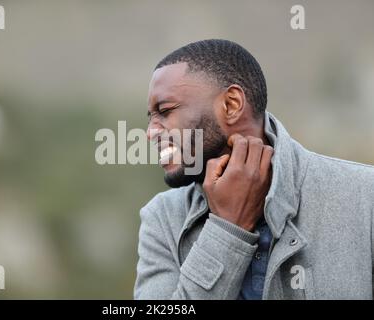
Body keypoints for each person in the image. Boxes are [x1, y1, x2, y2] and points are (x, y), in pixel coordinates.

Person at [134, 39, 374, 299]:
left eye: (165, 111)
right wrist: (227, 229)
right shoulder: (162, 219)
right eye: (151, 118)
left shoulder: (365, 197)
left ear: (231, 104)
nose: (150, 133)